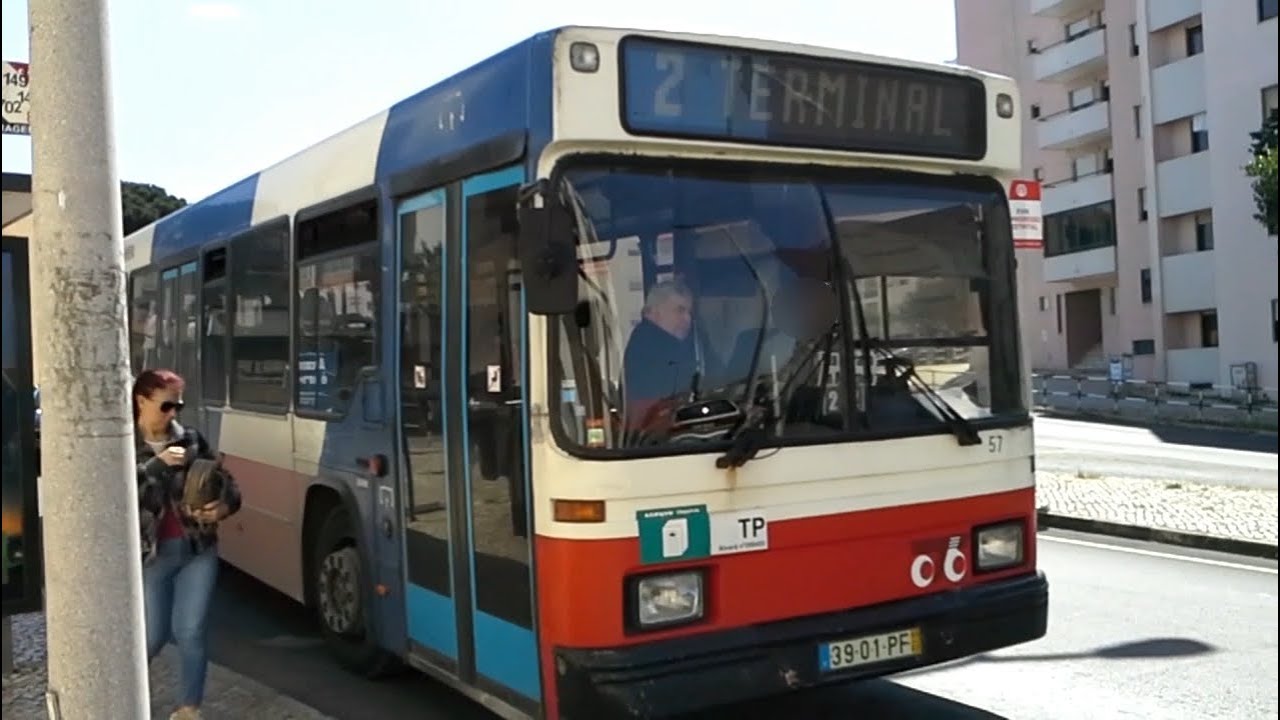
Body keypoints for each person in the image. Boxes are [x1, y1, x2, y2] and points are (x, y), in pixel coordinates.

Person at [133, 368, 241, 720]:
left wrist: (222, 507)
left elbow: (229, 485)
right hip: (152, 556)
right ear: (142, 400)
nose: (173, 413)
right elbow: (116, 498)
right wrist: (155, 466)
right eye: (165, 405)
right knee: (152, 636)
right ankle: (125, 696)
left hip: (198, 550)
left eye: (178, 405)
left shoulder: (190, 440)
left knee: (191, 631)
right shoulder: (122, 444)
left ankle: (188, 709)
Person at [621, 279, 699, 430]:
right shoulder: (648, 347)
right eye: (679, 311)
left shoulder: (691, 342)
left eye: (689, 312)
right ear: (653, 313)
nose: (687, 319)